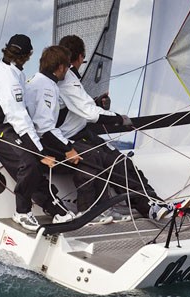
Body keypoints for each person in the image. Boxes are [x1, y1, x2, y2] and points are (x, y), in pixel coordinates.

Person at [57, 35, 184, 220]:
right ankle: (147, 205)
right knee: (110, 162)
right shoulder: (68, 80)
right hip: (71, 139)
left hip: (81, 134)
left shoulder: (66, 78)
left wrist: (96, 102)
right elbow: (91, 114)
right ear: (80, 57)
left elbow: (76, 106)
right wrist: (119, 119)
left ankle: (151, 203)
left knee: (123, 163)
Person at [0, 34, 74, 231]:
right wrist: (41, 153)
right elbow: (18, 118)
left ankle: (52, 206)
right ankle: (21, 212)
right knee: (28, 161)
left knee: (33, 159)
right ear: (29, 55)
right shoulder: (9, 80)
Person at [25, 45, 114, 224]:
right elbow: (45, 128)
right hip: (40, 144)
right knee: (89, 155)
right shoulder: (46, 87)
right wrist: (68, 149)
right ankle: (87, 210)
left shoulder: (39, 81)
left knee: (93, 151)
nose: (68, 71)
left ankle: (102, 208)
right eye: (67, 67)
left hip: (38, 140)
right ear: (60, 67)